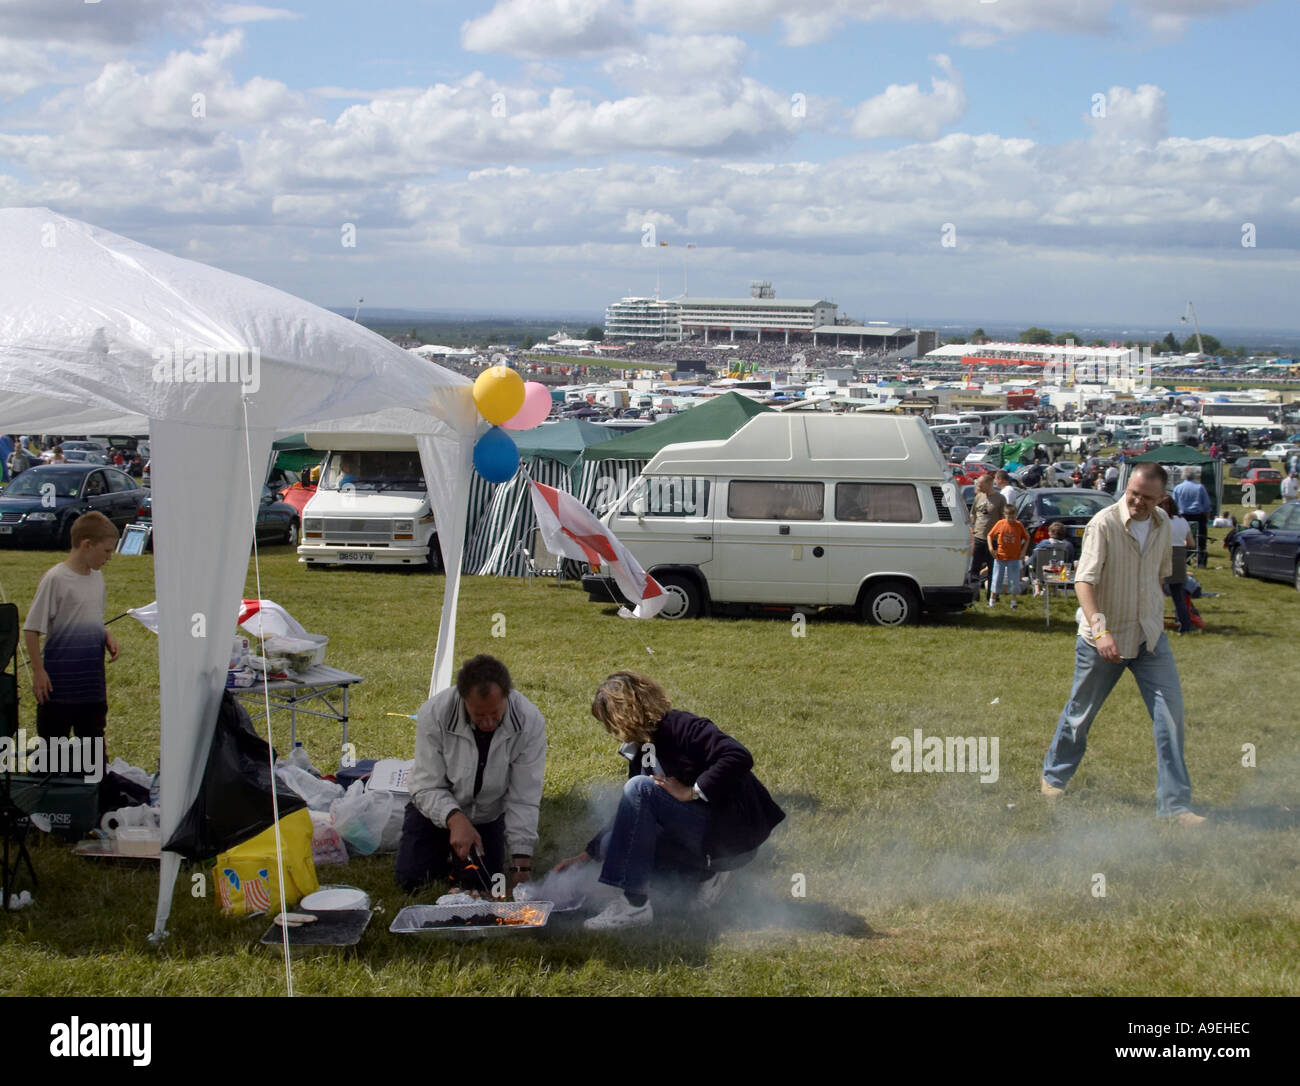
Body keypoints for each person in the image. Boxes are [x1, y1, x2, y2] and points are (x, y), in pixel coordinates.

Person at [554, 672, 785, 930]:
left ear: (623, 713)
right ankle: (702, 877)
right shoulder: (642, 750)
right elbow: (630, 814)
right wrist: (585, 856)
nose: (610, 731)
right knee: (611, 843)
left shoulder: (682, 726)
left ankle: (633, 905)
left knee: (640, 788)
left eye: (608, 722)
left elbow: (738, 755)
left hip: (729, 839)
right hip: (700, 838)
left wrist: (692, 791)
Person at [1040, 463, 1205, 825]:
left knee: (1170, 719)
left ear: (1162, 497)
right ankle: (1054, 777)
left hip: (1149, 639)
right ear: (1126, 487)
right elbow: (1084, 582)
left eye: (1147, 498)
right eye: (1132, 493)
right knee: (1080, 715)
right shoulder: (1104, 523)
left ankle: (1175, 805)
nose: (1137, 502)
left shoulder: (1163, 525)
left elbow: (1160, 575)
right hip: (1102, 640)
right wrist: (1101, 631)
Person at [396, 655, 547, 895]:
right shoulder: (434, 713)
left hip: (487, 816)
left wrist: (521, 861)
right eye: (479, 715)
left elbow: (524, 796)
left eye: (495, 714)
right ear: (463, 698)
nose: (488, 722)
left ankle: (460, 861)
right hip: (434, 812)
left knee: (482, 887)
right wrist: (455, 818)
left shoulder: (529, 722)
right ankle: (440, 852)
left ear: (507, 696)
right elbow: (426, 785)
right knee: (413, 882)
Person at [23, 511, 120, 747]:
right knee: (53, 753)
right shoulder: (56, 579)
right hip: (59, 687)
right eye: (106, 551)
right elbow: (31, 629)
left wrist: (105, 635)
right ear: (86, 545)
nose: (109, 558)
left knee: (93, 751)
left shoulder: (97, 578)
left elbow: (90, 616)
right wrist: (38, 671)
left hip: (91, 686)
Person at [1157, 495, 1195, 635]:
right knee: (1178, 596)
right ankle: (1185, 625)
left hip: (1162, 556)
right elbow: (1191, 543)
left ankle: (1154, 624)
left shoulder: (1159, 520)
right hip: (1179, 557)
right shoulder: (1182, 520)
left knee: (1156, 594)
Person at [968, 472, 1006, 601]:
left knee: (992, 569)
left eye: (980, 484)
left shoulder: (1000, 499)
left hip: (993, 540)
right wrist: (972, 530)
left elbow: (1003, 519)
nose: (978, 486)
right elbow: (973, 514)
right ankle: (974, 595)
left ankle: (992, 595)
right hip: (978, 537)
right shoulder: (979, 496)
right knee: (974, 568)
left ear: (989, 484)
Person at [987, 503, 1030, 609]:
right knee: (997, 579)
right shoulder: (1000, 523)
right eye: (1009, 517)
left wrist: (1023, 551)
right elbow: (990, 535)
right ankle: (992, 601)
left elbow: (1027, 537)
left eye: (1013, 517)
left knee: (1014, 580)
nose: (1011, 519)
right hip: (1000, 557)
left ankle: (1013, 602)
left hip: (1014, 558)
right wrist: (991, 548)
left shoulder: (1018, 525)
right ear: (1004, 515)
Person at [1171, 465, 1212, 568]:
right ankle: (1201, 562)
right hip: (1198, 516)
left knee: (1183, 540)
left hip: (1183, 517)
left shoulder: (1178, 488)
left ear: (1183, 476)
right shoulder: (1200, 487)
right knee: (1201, 540)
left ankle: (1185, 561)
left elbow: (1173, 505)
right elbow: (1207, 505)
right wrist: (1207, 518)